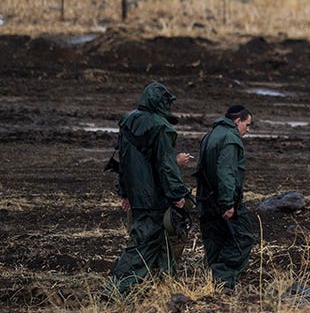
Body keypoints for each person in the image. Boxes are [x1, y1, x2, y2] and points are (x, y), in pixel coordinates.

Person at [110, 82, 193, 293]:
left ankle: (166, 284)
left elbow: (124, 160)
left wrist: (125, 192)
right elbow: (165, 165)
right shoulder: (161, 127)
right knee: (143, 243)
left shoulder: (129, 121)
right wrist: (178, 193)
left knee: (162, 240)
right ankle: (116, 289)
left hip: (138, 194)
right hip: (153, 197)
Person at [194, 105, 256, 290]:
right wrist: (228, 203)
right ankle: (222, 279)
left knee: (215, 237)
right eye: (247, 124)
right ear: (237, 121)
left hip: (207, 199)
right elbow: (227, 173)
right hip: (223, 200)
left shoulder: (210, 135)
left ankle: (211, 279)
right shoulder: (230, 138)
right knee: (243, 237)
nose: (248, 129)